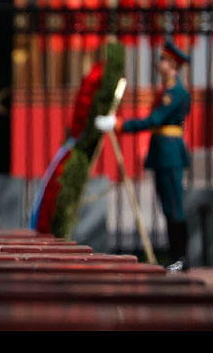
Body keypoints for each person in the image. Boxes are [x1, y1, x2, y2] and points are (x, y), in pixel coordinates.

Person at [95, 39, 191, 272]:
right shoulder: (167, 90)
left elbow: (154, 121)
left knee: (174, 206)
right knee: (167, 206)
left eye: (162, 60)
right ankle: (175, 255)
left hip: (170, 154)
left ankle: (181, 257)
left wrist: (118, 124)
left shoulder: (174, 92)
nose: (159, 63)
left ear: (172, 64)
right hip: (163, 152)